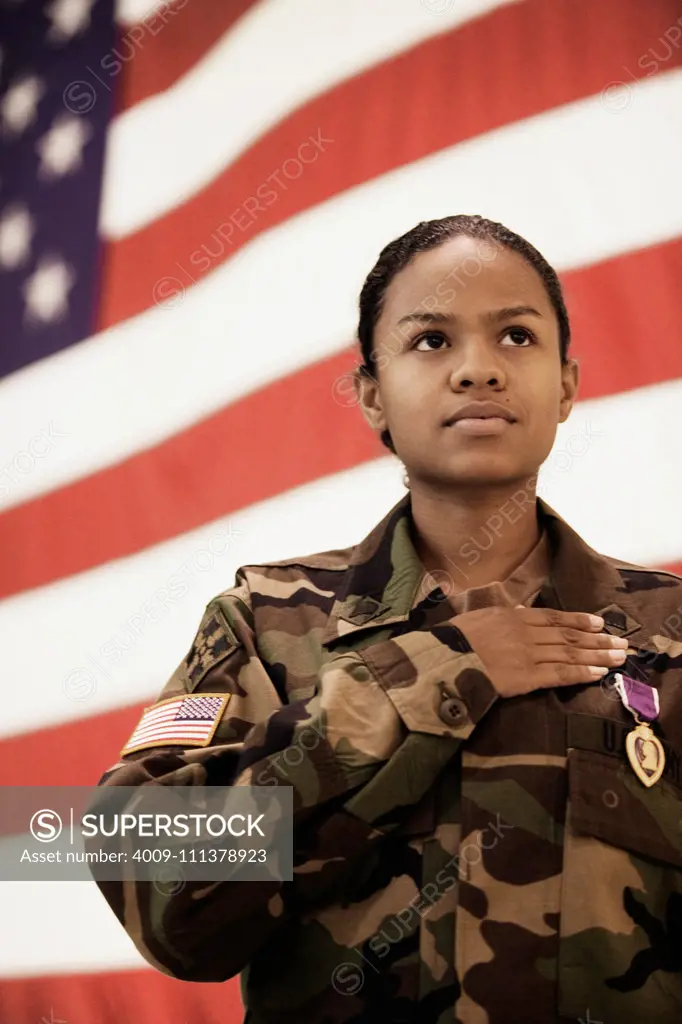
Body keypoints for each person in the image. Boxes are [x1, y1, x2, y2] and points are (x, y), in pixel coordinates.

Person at [89, 214, 682, 1023]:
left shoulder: (666, 633)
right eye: (432, 342)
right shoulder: (263, 622)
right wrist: (429, 677)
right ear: (373, 394)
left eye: (515, 336)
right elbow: (158, 897)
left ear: (568, 385)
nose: (478, 370)